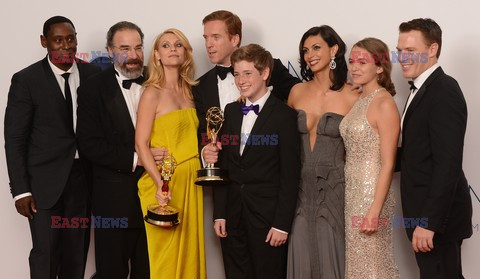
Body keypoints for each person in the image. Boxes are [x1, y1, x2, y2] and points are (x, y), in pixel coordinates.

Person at [4, 16, 99, 279]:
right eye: (58, 40)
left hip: (83, 180)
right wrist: (20, 190)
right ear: (44, 42)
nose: (66, 46)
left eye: (71, 38)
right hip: (43, 185)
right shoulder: (26, 80)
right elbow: (14, 139)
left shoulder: (93, 74)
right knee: (45, 254)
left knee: (76, 254)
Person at [208, 44, 301, 278]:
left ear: (265, 73)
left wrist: (281, 224)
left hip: (268, 220)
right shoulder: (230, 111)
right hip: (233, 217)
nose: (241, 81)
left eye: (247, 73)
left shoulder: (284, 116)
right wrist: (220, 213)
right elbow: (225, 166)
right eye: (237, 74)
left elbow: (290, 175)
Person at [76, 21, 156, 278]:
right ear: (110, 51)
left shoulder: (159, 82)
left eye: (138, 48)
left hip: (156, 199)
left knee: (152, 271)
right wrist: (139, 159)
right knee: (111, 272)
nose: (133, 56)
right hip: (113, 203)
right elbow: (89, 144)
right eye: (124, 48)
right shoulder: (92, 88)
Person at [396, 18, 472, 278]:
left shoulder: (444, 89)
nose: (402, 57)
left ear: (432, 49)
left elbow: (447, 164)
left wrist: (428, 223)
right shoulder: (420, 88)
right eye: (400, 50)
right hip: (425, 217)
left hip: (438, 222)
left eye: (410, 50)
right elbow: (417, 153)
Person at [286, 25, 358, 279]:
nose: (310, 55)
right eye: (305, 50)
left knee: (333, 257)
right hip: (298, 191)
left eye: (316, 47)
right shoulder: (296, 92)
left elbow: (363, 146)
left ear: (334, 49)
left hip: (336, 190)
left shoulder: (353, 94)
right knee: (301, 257)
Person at [135, 28, 206, 279]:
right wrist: (159, 184)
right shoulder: (151, 93)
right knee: (164, 256)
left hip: (192, 180)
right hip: (164, 182)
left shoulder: (192, 91)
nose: (172, 49)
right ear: (156, 55)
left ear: (186, 52)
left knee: (190, 253)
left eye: (178, 44)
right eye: (165, 45)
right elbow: (141, 144)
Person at [195, 9, 300, 156]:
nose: (208, 44)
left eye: (216, 37)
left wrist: (261, 95)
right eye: (206, 38)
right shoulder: (200, 85)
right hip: (223, 170)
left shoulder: (270, 68)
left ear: (234, 39)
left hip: (266, 166)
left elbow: (301, 94)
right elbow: (201, 134)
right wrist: (206, 150)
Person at [339, 37, 400, 278]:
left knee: (374, 264)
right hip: (353, 194)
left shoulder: (384, 103)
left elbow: (388, 163)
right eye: (352, 61)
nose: (354, 67)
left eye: (362, 62)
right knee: (359, 265)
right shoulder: (362, 98)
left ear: (380, 67)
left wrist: (375, 210)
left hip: (372, 195)